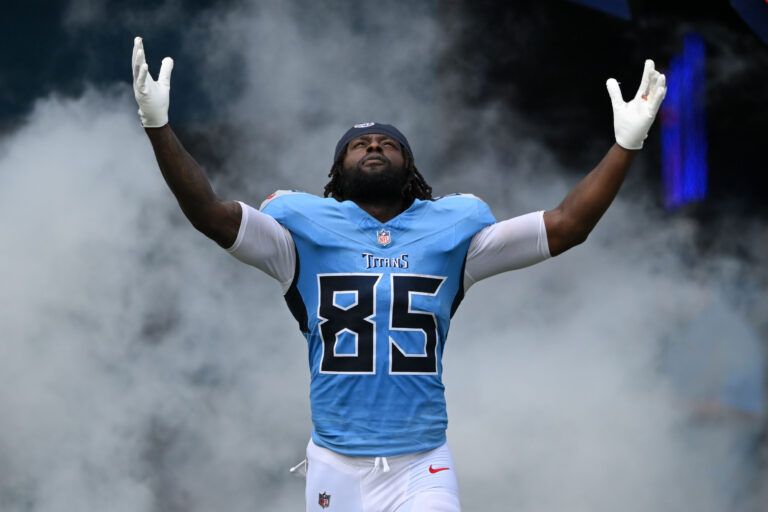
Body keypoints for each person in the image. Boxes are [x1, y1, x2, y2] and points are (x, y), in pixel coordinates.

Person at [131, 36, 666, 512]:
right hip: (334, 464)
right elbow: (210, 213)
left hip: (422, 463)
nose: (373, 147)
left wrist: (625, 145)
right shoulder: (300, 234)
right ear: (336, 172)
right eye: (358, 145)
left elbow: (567, 226)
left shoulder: (454, 233)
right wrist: (158, 127)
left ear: (410, 170)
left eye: (388, 143)